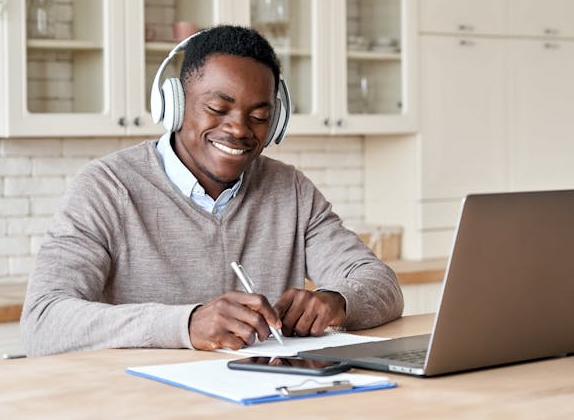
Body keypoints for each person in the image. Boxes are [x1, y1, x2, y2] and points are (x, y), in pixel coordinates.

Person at [20, 25, 403, 356]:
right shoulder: (107, 187)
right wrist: (186, 325)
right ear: (173, 104)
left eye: (259, 117)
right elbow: (43, 320)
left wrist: (336, 302)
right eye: (218, 108)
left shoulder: (292, 191)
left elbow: (380, 283)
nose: (239, 129)